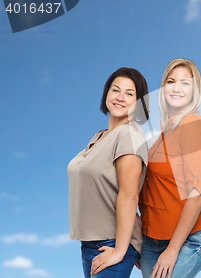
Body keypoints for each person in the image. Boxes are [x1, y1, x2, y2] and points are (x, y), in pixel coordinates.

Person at [68, 67, 150, 278]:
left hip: (113, 243)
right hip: (91, 243)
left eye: (129, 93)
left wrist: (120, 250)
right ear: (106, 94)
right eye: (116, 90)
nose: (120, 97)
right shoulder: (99, 136)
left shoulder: (129, 135)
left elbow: (129, 195)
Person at [138, 58, 201, 278]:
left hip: (187, 239)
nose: (177, 88)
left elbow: (198, 192)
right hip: (153, 240)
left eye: (185, 83)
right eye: (171, 81)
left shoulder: (191, 123)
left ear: (194, 91)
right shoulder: (162, 135)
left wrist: (173, 249)